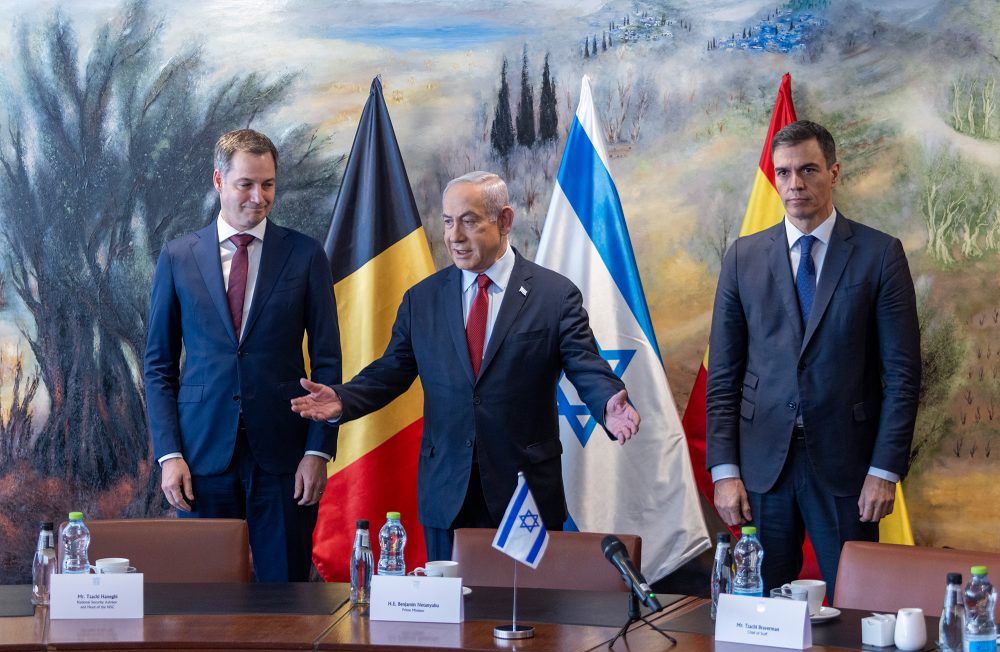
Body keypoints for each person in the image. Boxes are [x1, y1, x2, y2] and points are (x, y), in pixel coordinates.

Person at [290, 171, 640, 561]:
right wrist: (343, 399)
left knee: (528, 614)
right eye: (447, 221)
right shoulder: (422, 300)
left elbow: (584, 364)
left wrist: (607, 401)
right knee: (450, 613)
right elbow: (392, 370)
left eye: (469, 221)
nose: (454, 236)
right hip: (447, 492)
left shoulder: (554, 296)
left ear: (505, 220)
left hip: (524, 492)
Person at [705, 120, 921, 597]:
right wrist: (725, 472)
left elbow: (903, 377)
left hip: (849, 471)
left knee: (858, 608)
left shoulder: (879, 254)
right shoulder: (743, 257)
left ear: (834, 172)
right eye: (783, 173)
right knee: (761, 614)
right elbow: (724, 375)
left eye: (807, 170)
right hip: (764, 470)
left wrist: (884, 471)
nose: (794, 184)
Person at [143, 129, 341, 582]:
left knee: (287, 597)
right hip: (200, 457)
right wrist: (169, 454)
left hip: (286, 457)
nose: (259, 196)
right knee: (205, 599)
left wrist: (319, 451)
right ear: (218, 180)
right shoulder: (177, 256)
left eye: (268, 184)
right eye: (246, 184)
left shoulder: (306, 255)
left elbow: (328, 363)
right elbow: (158, 367)